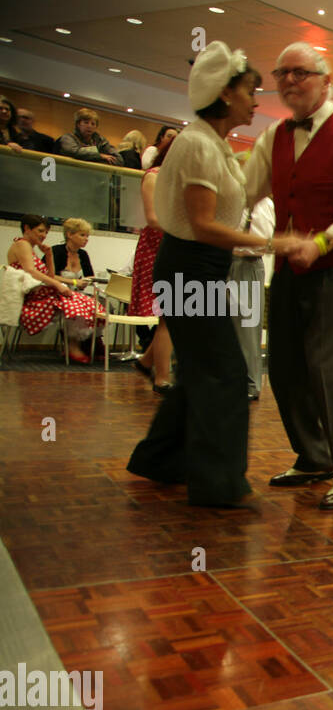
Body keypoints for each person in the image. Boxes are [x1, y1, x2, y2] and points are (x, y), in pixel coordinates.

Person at [127, 42, 295, 509]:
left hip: (196, 270)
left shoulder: (213, 144)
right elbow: (202, 225)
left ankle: (159, 460)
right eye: (249, 92)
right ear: (224, 95)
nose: (255, 101)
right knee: (223, 372)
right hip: (189, 270)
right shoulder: (199, 144)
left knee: (203, 371)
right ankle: (218, 484)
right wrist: (271, 243)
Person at [243, 41, 333, 510]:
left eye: (299, 73)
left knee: (331, 371)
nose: (287, 81)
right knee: (284, 367)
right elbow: (245, 191)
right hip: (287, 269)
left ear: (326, 81)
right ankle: (313, 456)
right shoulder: (275, 135)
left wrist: (320, 242)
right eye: (281, 73)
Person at [5, 213, 103, 363]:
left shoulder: (30, 248)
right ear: (27, 228)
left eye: (46, 232)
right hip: (34, 299)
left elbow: (48, 275)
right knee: (76, 303)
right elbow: (31, 271)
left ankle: (85, 345)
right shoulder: (22, 244)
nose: (44, 235)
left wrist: (49, 256)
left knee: (86, 301)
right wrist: (59, 285)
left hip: (43, 293)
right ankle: (73, 347)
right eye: (40, 231)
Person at [130, 135, 174, 393]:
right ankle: (162, 378)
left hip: (175, 248)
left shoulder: (176, 180)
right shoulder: (155, 175)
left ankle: (147, 363)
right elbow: (153, 218)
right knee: (170, 316)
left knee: (176, 315)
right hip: (159, 249)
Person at [230, 194, 274, 401]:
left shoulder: (263, 204)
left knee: (248, 327)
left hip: (247, 263)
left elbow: (264, 243)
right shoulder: (231, 198)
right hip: (224, 260)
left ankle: (250, 383)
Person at [57, 108, 122, 165]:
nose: (89, 126)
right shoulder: (68, 138)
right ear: (78, 124)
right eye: (86, 122)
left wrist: (93, 159)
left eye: (93, 124)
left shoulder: (101, 141)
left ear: (96, 127)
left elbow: (119, 160)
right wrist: (100, 156)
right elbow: (74, 152)